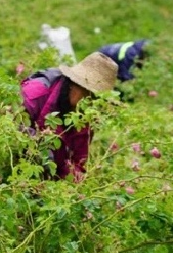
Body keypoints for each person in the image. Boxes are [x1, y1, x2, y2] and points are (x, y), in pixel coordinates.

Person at [20, 52, 119, 182]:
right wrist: (40, 148)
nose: (90, 103)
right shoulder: (36, 92)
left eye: (96, 99)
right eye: (89, 94)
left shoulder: (85, 117)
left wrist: (74, 186)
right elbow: (11, 127)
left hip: (44, 184)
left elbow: (77, 161)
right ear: (74, 83)